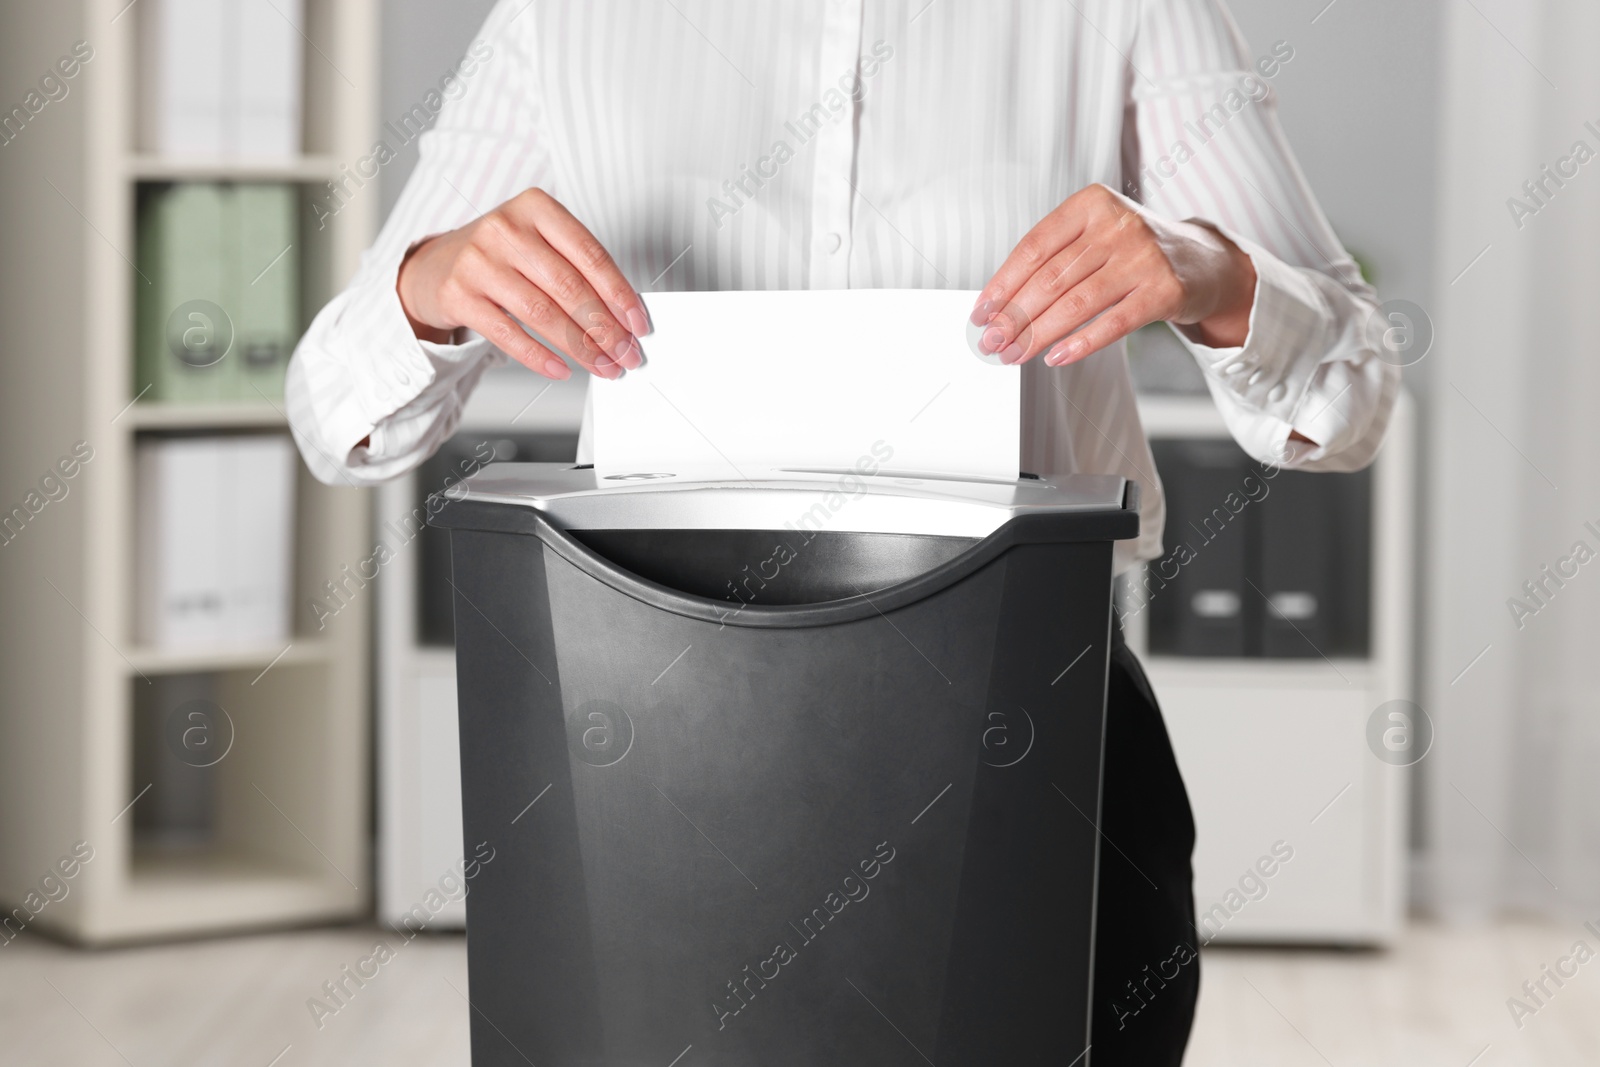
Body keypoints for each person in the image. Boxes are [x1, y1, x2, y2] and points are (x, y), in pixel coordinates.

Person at [288, 2, 1398, 1062]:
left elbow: (1349, 397)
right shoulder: (561, 14)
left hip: (1033, 722)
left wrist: (1208, 269)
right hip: (644, 746)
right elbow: (341, 419)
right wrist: (429, 284)